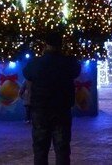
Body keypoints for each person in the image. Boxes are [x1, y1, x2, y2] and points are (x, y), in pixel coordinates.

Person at [23, 31, 82, 165]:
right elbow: (76, 70)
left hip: (40, 109)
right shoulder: (68, 63)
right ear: (61, 44)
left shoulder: (36, 63)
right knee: (62, 148)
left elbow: (27, 73)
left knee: (40, 148)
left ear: (46, 44)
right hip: (62, 108)